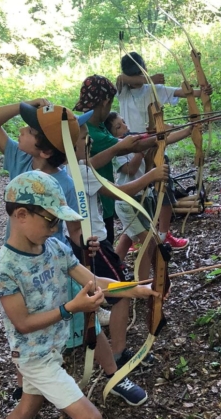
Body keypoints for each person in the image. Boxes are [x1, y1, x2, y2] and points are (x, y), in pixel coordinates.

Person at [0, 102, 147, 406]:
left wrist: (86, 243)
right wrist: (23, 105)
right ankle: (25, 387)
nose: (22, 130)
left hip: (56, 261)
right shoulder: (20, 158)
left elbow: (73, 230)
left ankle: (114, 374)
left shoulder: (66, 181)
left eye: (30, 130)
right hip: (21, 263)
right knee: (22, 329)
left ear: (45, 151)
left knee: (89, 322)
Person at [0, 170, 162, 419]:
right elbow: (22, 323)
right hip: (34, 357)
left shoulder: (55, 247)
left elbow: (91, 280)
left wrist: (133, 288)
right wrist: (71, 308)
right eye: (50, 219)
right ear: (21, 215)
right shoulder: (4, 269)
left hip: (51, 349)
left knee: (27, 408)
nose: (56, 226)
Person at [73, 76, 190, 367]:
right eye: (82, 139)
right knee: (119, 291)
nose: (88, 141)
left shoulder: (72, 166)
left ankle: (98, 346)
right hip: (91, 240)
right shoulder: (79, 169)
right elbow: (116, 183)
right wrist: (150, 175)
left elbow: (107, 156)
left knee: (96, 288)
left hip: (85, 239)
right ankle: (117, 354)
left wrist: (167, 134)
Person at [116, 51, 213, 250]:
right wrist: (148, 78)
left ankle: (163, 234)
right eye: (137, 74)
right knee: (137, 194)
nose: (140, 79)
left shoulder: (154, 89)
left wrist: (201, 92)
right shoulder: (123, 91)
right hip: (131, 148)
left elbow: (181, 93)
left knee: (164, 192)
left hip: (156, 145)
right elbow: (120, 79)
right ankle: (139, 235)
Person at [105, 111, 197, 281]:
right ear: (111, 136)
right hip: (128, 202)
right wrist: (141, 149)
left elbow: (162, 141)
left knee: (127, 239)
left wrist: (187, 130)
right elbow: (131, 170)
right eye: (118, 127)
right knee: (149, 243)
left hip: (141, 199)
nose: (125, 126)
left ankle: (110, 274)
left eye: (124, 122)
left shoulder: (136, 142)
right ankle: (143, 282)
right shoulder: (118, 150)